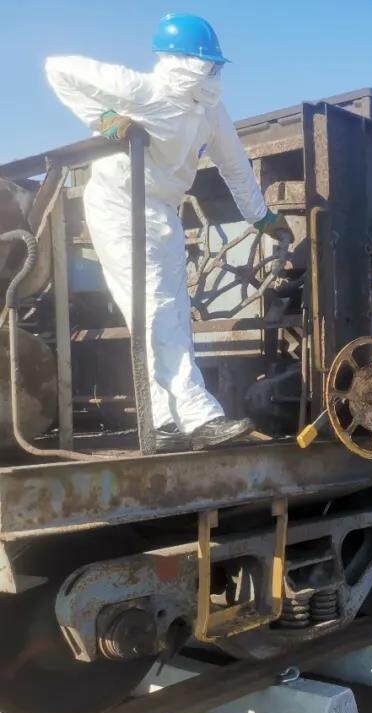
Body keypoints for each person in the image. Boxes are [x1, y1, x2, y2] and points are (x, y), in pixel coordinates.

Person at [45, 13, 292, 452]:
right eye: (207, 64)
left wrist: (261, 217)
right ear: (183, 62)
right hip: (120, 202)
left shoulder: (210, 111)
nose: (212, 74)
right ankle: (198, 416)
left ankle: (163, 422)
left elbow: (235, 166)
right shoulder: (143, 90)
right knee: (153, 309)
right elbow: (58, 68)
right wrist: (102, 117)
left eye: (215, 67)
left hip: (161, 208)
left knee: (174, 312)